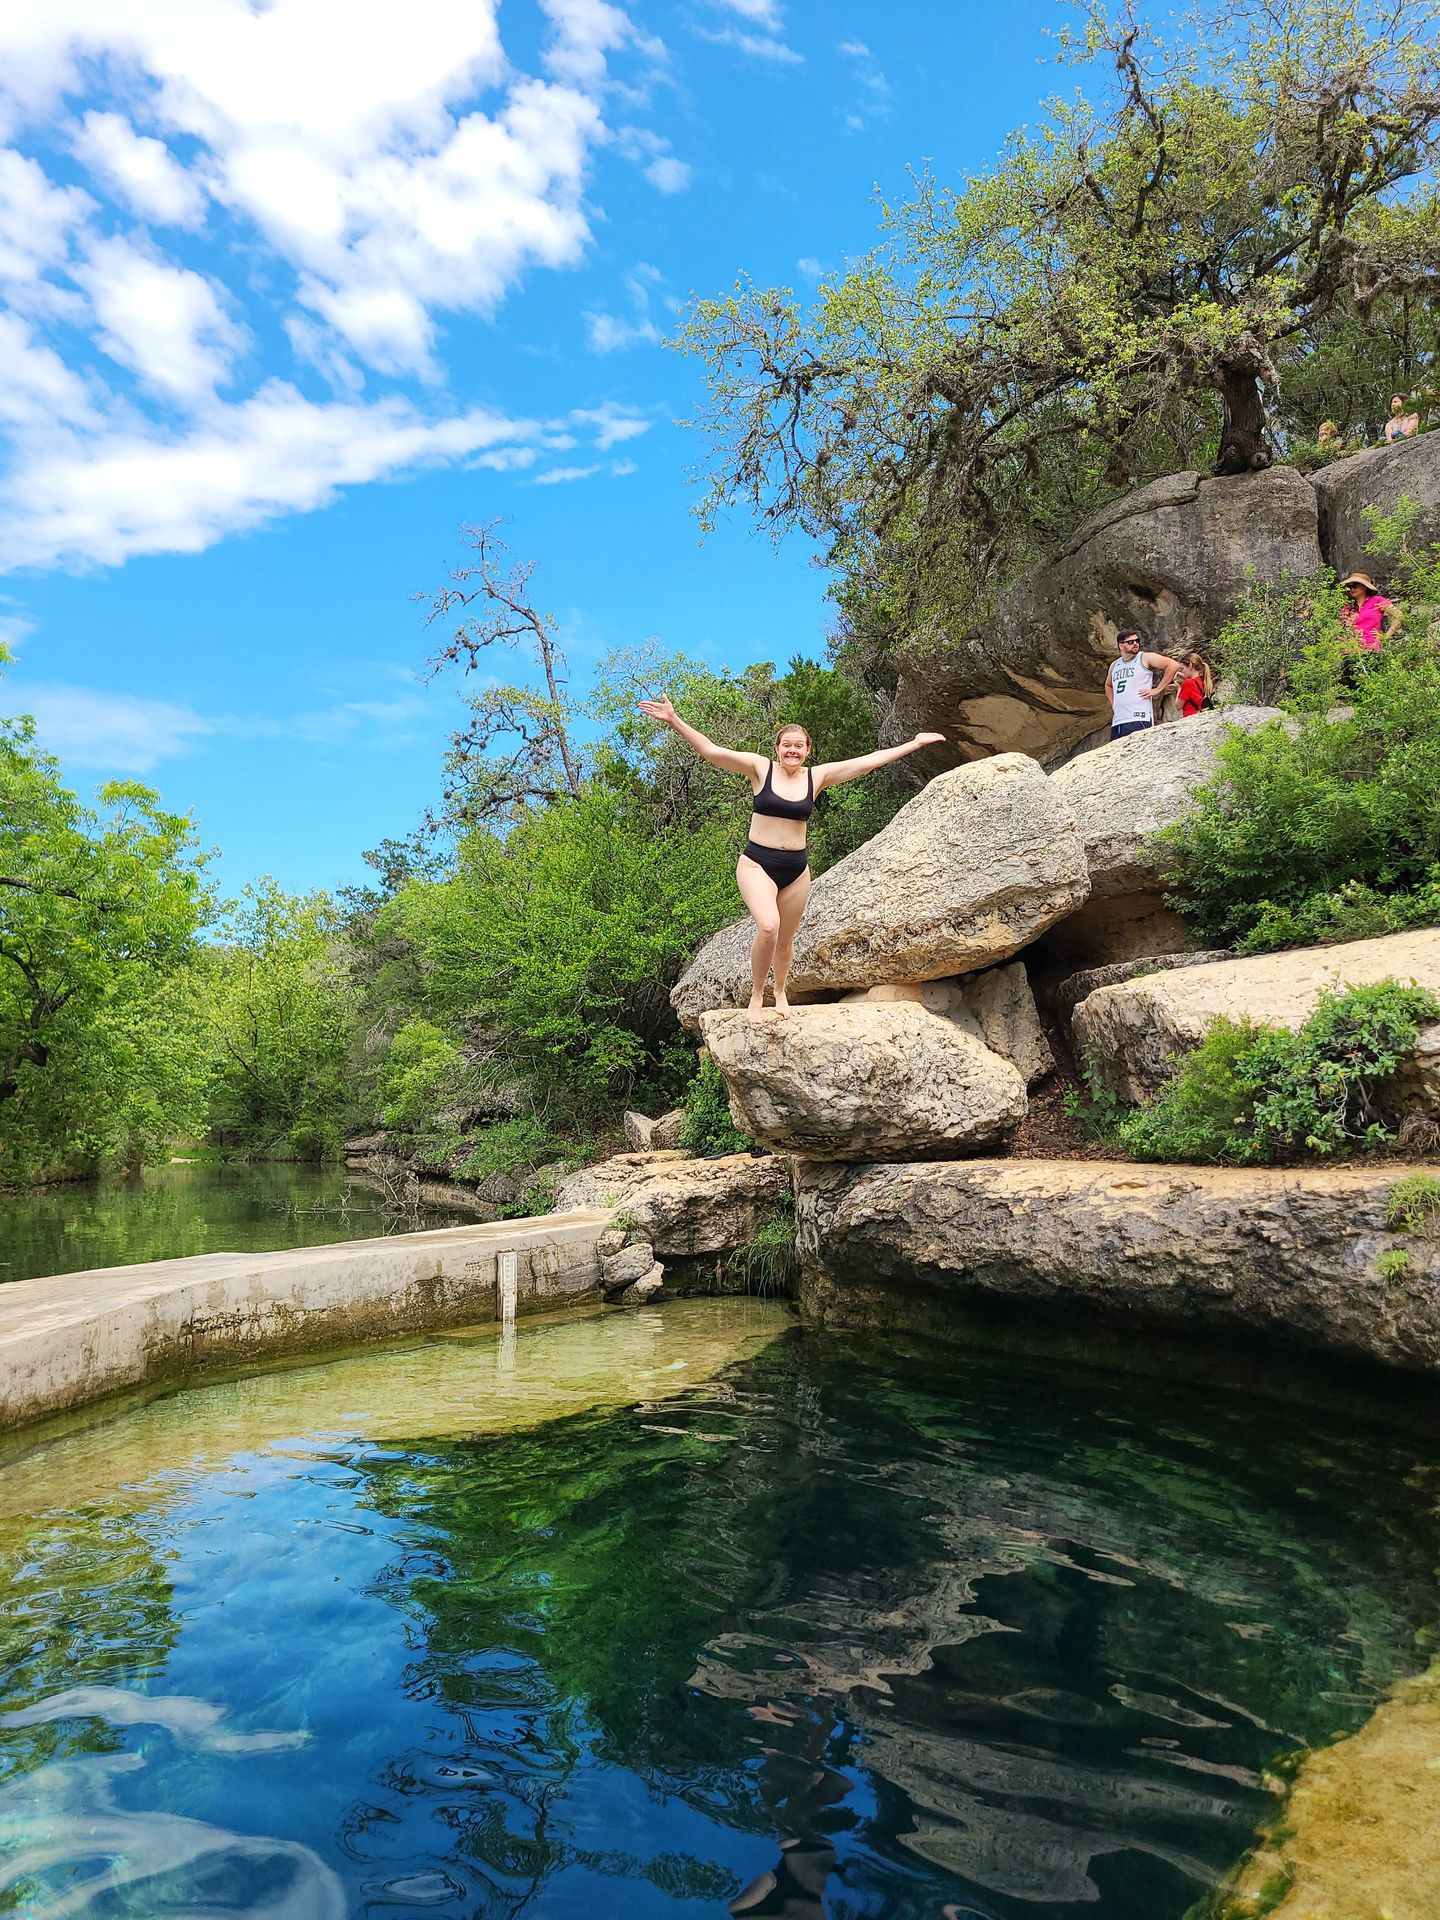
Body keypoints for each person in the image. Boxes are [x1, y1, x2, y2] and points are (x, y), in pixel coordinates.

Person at [636, 697, 943, 1016]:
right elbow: (711, 751)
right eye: (786, 745)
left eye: (799, 746)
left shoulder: (817, 777)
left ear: (808, 750)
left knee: (784, 941)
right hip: (757, 864)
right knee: (768, 926)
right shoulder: (759, 769)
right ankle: (757, 994)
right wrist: (674, 720)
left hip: (796, 870)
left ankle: (780, 991)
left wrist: (914, 744)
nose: (792, 751)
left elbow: (868, 762)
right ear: (777, 748)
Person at [1105, 632, 1184, 740]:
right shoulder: (1115, 665)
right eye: (1130, 642)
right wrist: (1114, 704)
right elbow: (1108, 685)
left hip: (1139, 717)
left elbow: (1172, 665)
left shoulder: (1144, 657)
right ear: (1121, 645)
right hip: (1118, 720)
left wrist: (1158, 689)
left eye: (1137, 641)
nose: (1135, 644)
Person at [1340, 572, 1402, 659]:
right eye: (1350, 587)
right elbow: (1339, 630)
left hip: (1373, 651)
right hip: (1351, 653)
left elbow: (1398, 615)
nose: (1352, 589)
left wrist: (1386, 637)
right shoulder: (1347, 608)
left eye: (1355, 585)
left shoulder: (1377, 601)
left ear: (1364, 586)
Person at [1178, 652, 1213, 717]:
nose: (1181, 672)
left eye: (1182, 669)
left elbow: (1177, 706)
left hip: (1190, 718)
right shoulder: (1203, 680)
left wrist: (1178, 688)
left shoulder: (1188, 683)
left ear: (1190, 665)